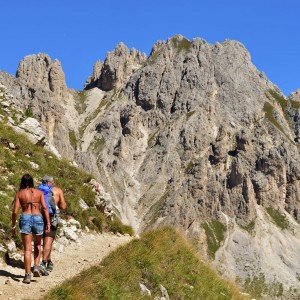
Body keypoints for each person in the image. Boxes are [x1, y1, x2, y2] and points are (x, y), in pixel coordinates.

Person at [11, 174, 51, 284]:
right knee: (38, 244)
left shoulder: (19, 194)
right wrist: (48, 222)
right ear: (32, 182)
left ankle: (27, 275)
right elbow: (45, 208)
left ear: (22, 182)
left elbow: (14, 212)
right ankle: (37, 266)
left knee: (27, 249)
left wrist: (13, 225)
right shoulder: (40, 193)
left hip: (25, 218)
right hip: (38, 218)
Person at [38, 175, 67, 273]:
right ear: (51, 182)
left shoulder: (37, 190)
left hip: (39, 217)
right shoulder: (57, 191)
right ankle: (43, 263)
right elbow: (63, 206)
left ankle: (48, 261)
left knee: (41, 241)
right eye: (53, 181)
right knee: (48, 241)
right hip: (51, 218)